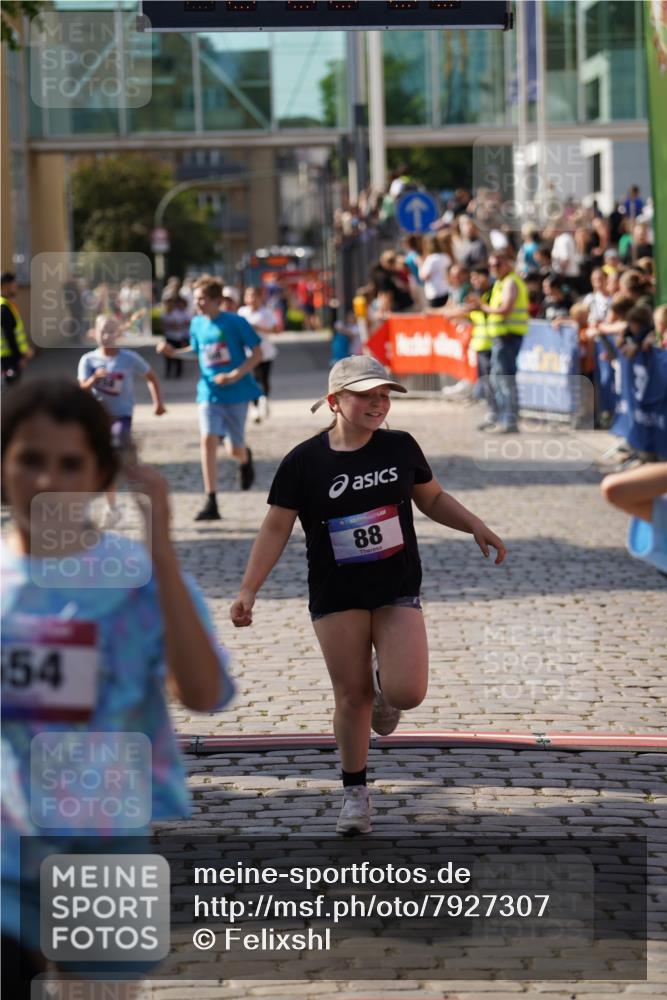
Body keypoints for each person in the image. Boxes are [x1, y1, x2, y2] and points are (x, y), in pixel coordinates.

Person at [1, 378, 234, 995]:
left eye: (70, 464)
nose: (47, 480)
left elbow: (205, 693)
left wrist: (163, 555)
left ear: (101, 475)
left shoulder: (136, 577)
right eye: (29, 459)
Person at [229, 355, 506, 835]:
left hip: (396, 585)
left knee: (406, 692)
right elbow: (275, 528)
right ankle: (355, 794)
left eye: (383, 396)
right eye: (365, 396)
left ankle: (384, 685)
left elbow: (432, 498)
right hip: (336, 591)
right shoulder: (304, 461)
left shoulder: (400, 446)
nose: (378, 404)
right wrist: (248, 590)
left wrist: (474, 524)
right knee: (351, 696)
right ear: (335, 401)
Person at [157, 276, 262, 521]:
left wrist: (234, 375)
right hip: (208, 392)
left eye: (202, 299)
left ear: (216, 300)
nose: (197, 303)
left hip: (236, 393)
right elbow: (197, 352)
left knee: (234, 448)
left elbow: (257, 353)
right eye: (195, 299)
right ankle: (211, 500)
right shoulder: (196, 323)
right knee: (207, 439)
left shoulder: (236, 322)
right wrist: (174, 353)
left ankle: (245, 457)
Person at [468, 252, 529, 434]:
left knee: (504, 380)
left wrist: (482, 307)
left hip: (507, 337)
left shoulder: (510, 282)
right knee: (498, 379)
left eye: (497, 264)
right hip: (501, 338)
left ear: (507, 264)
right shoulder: (501, 283)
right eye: (491, 265)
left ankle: (509, 421)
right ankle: (504, 418)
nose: (493, 268)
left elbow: (505, 309)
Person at [238, 285, 279, 424]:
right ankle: (255, 407)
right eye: (249, 295)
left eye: (254, 296)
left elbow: (276, 330)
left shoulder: (266, 313)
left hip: (265, 352)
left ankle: (265, 401)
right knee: (252, 380)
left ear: (260, 297)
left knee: (264, 380)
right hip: (248, 353)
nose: (252, 299)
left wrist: (259, 328)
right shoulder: (242, 312)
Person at [1, 272, 34, 387]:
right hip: (8, 359)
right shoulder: (3, 307)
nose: (16, 287)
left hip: (9, 357)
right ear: (5, 286)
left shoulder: (8, 305)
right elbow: (9, 336)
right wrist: (19, 359)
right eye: (14, 285)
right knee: (11, 390)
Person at [160, 292, 191, 378]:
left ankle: (178, 372)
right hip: (169, 337)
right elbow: (163, 326)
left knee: (178, 355)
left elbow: (185, 323)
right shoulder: (164, 314)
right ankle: (168, 372)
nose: (169, 305)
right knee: (167, 356)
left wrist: (176, 326)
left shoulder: (178, 313)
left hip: (178, 337)